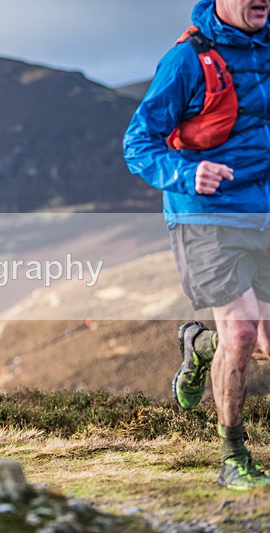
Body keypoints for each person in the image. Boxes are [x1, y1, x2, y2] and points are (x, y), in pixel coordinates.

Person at [124, 0, 270, 490]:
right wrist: (189, 174)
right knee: (242, 332)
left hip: (264, 211)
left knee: (264, 342)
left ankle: (200, 344)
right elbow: (138, 144)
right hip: (205, 216)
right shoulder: (187, 60)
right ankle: (233, 458)